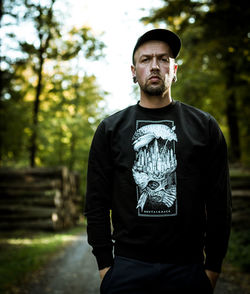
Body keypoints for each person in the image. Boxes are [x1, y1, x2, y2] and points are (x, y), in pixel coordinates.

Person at [85, 29, 232, 294]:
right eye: (145, 59)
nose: (155, 66)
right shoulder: (111, 129)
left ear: (174, 69)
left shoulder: (204, 127)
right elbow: (96, 202)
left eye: (163, 59)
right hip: (127, 268)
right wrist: (106, 267)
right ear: (133, 71)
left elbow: (220, 202)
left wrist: (212, 268)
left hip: (188, 269)